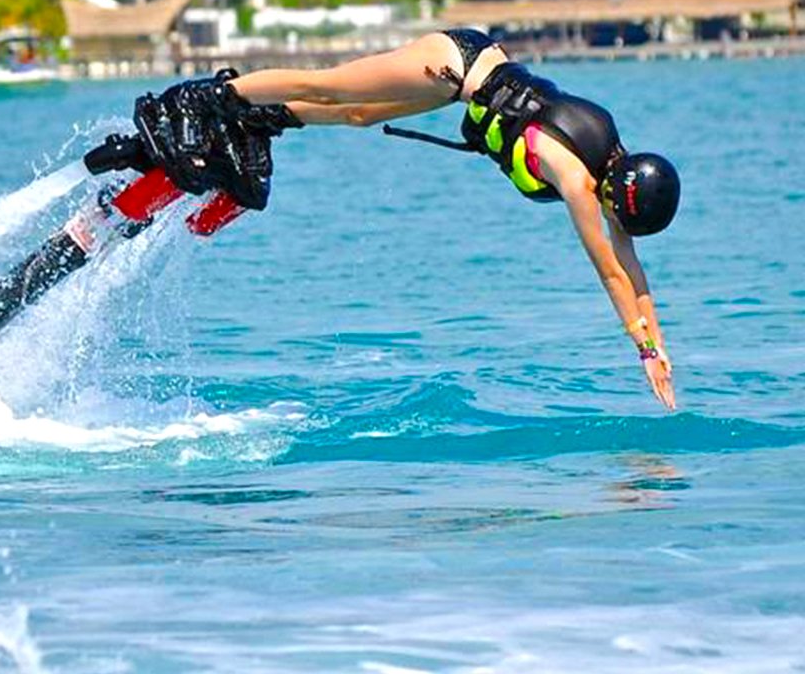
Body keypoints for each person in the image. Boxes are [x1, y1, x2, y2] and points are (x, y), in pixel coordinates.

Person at [128, 29, 680, 410]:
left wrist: (659, 348)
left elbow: (631, 263)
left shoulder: (614, 162)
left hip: (460, 80)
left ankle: (259, 120)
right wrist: (639, 345)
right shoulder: (578, 181)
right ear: (615, 192)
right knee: (332, 85)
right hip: (456, 62)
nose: (616, 225)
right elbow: (609, 270)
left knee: (360, 114)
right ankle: (206, 98)